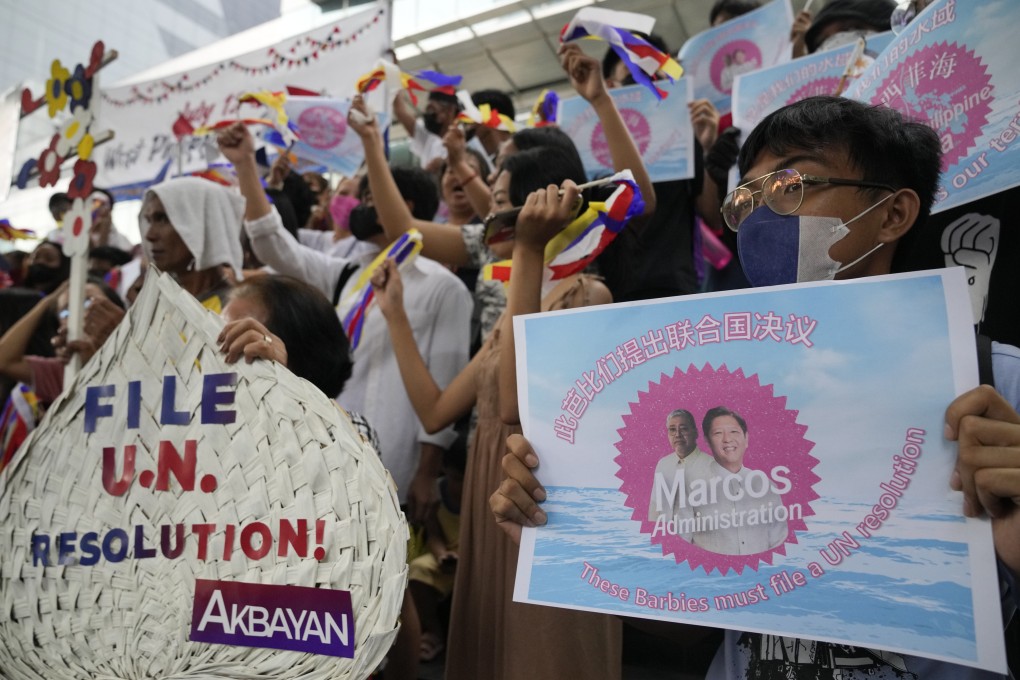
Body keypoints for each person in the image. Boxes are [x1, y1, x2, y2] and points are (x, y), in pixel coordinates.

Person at [491, 96, 1020, 680]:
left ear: (893, 214)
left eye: (791, 184)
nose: (763, 214)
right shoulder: (712, 396)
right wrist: (562, 532)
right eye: (746, 199)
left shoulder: (994, 390)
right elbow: (690, 615)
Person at [369, 142, 621, 680]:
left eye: (502, 202)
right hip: (493, 494)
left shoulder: (588, 295)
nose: (491, 218)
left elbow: (515, 406)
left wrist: (528, 253)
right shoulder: (515, 303)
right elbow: (436, 411)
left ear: (543, 207)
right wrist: (395, 316)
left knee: (538, 653)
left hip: (540, 500)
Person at [216, 121, 471, 522]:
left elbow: (447, 381)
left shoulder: (445, 287)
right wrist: (247, 165)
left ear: (405, 208)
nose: (362, 208)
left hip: (401, 464)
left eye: (374, 198)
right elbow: (275, 247)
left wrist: (426, 471)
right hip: (338, 454)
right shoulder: (350, 275)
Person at [688, 407, 788, 555]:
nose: (727, 439)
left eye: (734, 432)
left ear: (746, 438)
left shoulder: (766, 486)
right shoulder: (691, 487)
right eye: (718, 433)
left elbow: (778, 543)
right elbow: (682, 545)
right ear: (707, 441)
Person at [138, 176, 245, 313]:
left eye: (163, 219)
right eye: (149, 220)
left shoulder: (233, 311)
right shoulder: (160, 303)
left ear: (202, 223)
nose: (149, 235)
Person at [408, 436, 465, 663]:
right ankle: (433, 631)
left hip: (475, 560)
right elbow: (433, 534)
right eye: (454, 478)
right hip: (445, 556)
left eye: (464, 480)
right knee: (418, 569)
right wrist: (443, 555)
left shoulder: (481, 496)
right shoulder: (438, 495)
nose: (458, 486)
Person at [648, 409, 714, 526]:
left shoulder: (711, 465)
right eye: (672, 430)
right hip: (668, 537)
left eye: (683, 429)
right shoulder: (663, 464)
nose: (677, 434)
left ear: (695, 432)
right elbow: (655, 508)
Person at [393, 86, 461, 173]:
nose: (428, 116)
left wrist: (442, 164)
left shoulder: (465, 141)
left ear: (450, 110)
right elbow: (400, 111)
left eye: (432, 110)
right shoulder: (430, 140)